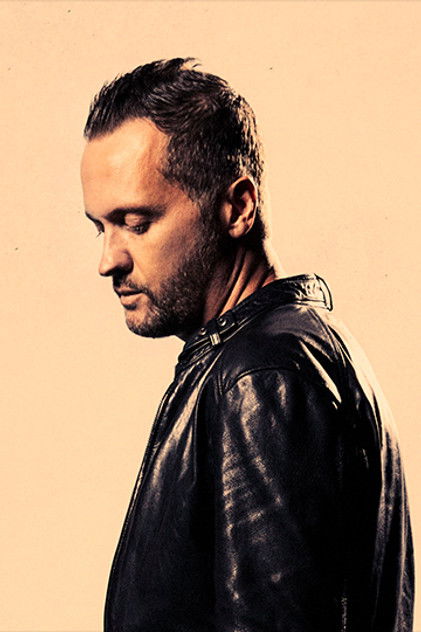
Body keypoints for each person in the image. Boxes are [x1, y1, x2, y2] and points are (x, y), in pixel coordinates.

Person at [81, 58, 414, 632]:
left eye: (135, 222)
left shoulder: (262, 375)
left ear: (237, 207)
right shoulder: (280, 353)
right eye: (100, 227)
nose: (108, 260)